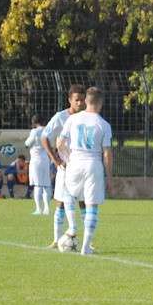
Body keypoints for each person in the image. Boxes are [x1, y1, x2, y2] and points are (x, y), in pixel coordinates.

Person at [57, 86, 113, 256]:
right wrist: (109, 177)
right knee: (91, 205)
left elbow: (59, 143)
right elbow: (107, 153)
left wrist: (67, 158)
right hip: (93, 164)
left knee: (68, 194)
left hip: (75, 162)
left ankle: (73, 227)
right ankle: (86, 247)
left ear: (86, 101)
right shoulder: (103, 124)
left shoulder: (73, 119)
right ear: (100, 103)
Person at [41, 84, 86, 248]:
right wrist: (55, 160)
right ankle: (56, 239)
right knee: (60, 201)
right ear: (70, 100)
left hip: (82, 167)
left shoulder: (88, 117)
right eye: (77, 100)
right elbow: (44, 137)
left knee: (83, 202)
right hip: (65, 167)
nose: (80, 103)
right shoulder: (60, 117)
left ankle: (88, 240)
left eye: (83, 100)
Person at [25, 114, 52, 215]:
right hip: (46, 159)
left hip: (36, 161)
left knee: (37, 185)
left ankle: (38, 209)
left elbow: (27, 143)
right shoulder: (47, 130)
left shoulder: (34, 131)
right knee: (46, 184)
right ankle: (47, 208)